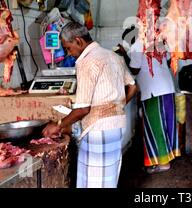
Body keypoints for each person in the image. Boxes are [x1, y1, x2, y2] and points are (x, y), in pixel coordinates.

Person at [42, 21, 137, 188]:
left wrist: (58, 125)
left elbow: (82, 109)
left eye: (68, 48)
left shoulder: (86, 62)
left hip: (97, 131)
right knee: (107, 180)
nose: (69, 54)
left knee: (93, 182)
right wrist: (117, 106)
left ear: (78, 41)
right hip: (116, 126)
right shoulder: (113, 56)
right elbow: (133, 87)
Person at [116, 31, 180, 174]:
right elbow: (169, 61)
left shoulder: (139, 43)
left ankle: (163, 163)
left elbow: (134, 69)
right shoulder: (159, 41)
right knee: (167, 124)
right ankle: (169, 155)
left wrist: (124, 54)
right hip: (167, 87)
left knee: (156, 126)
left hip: (153, 90)